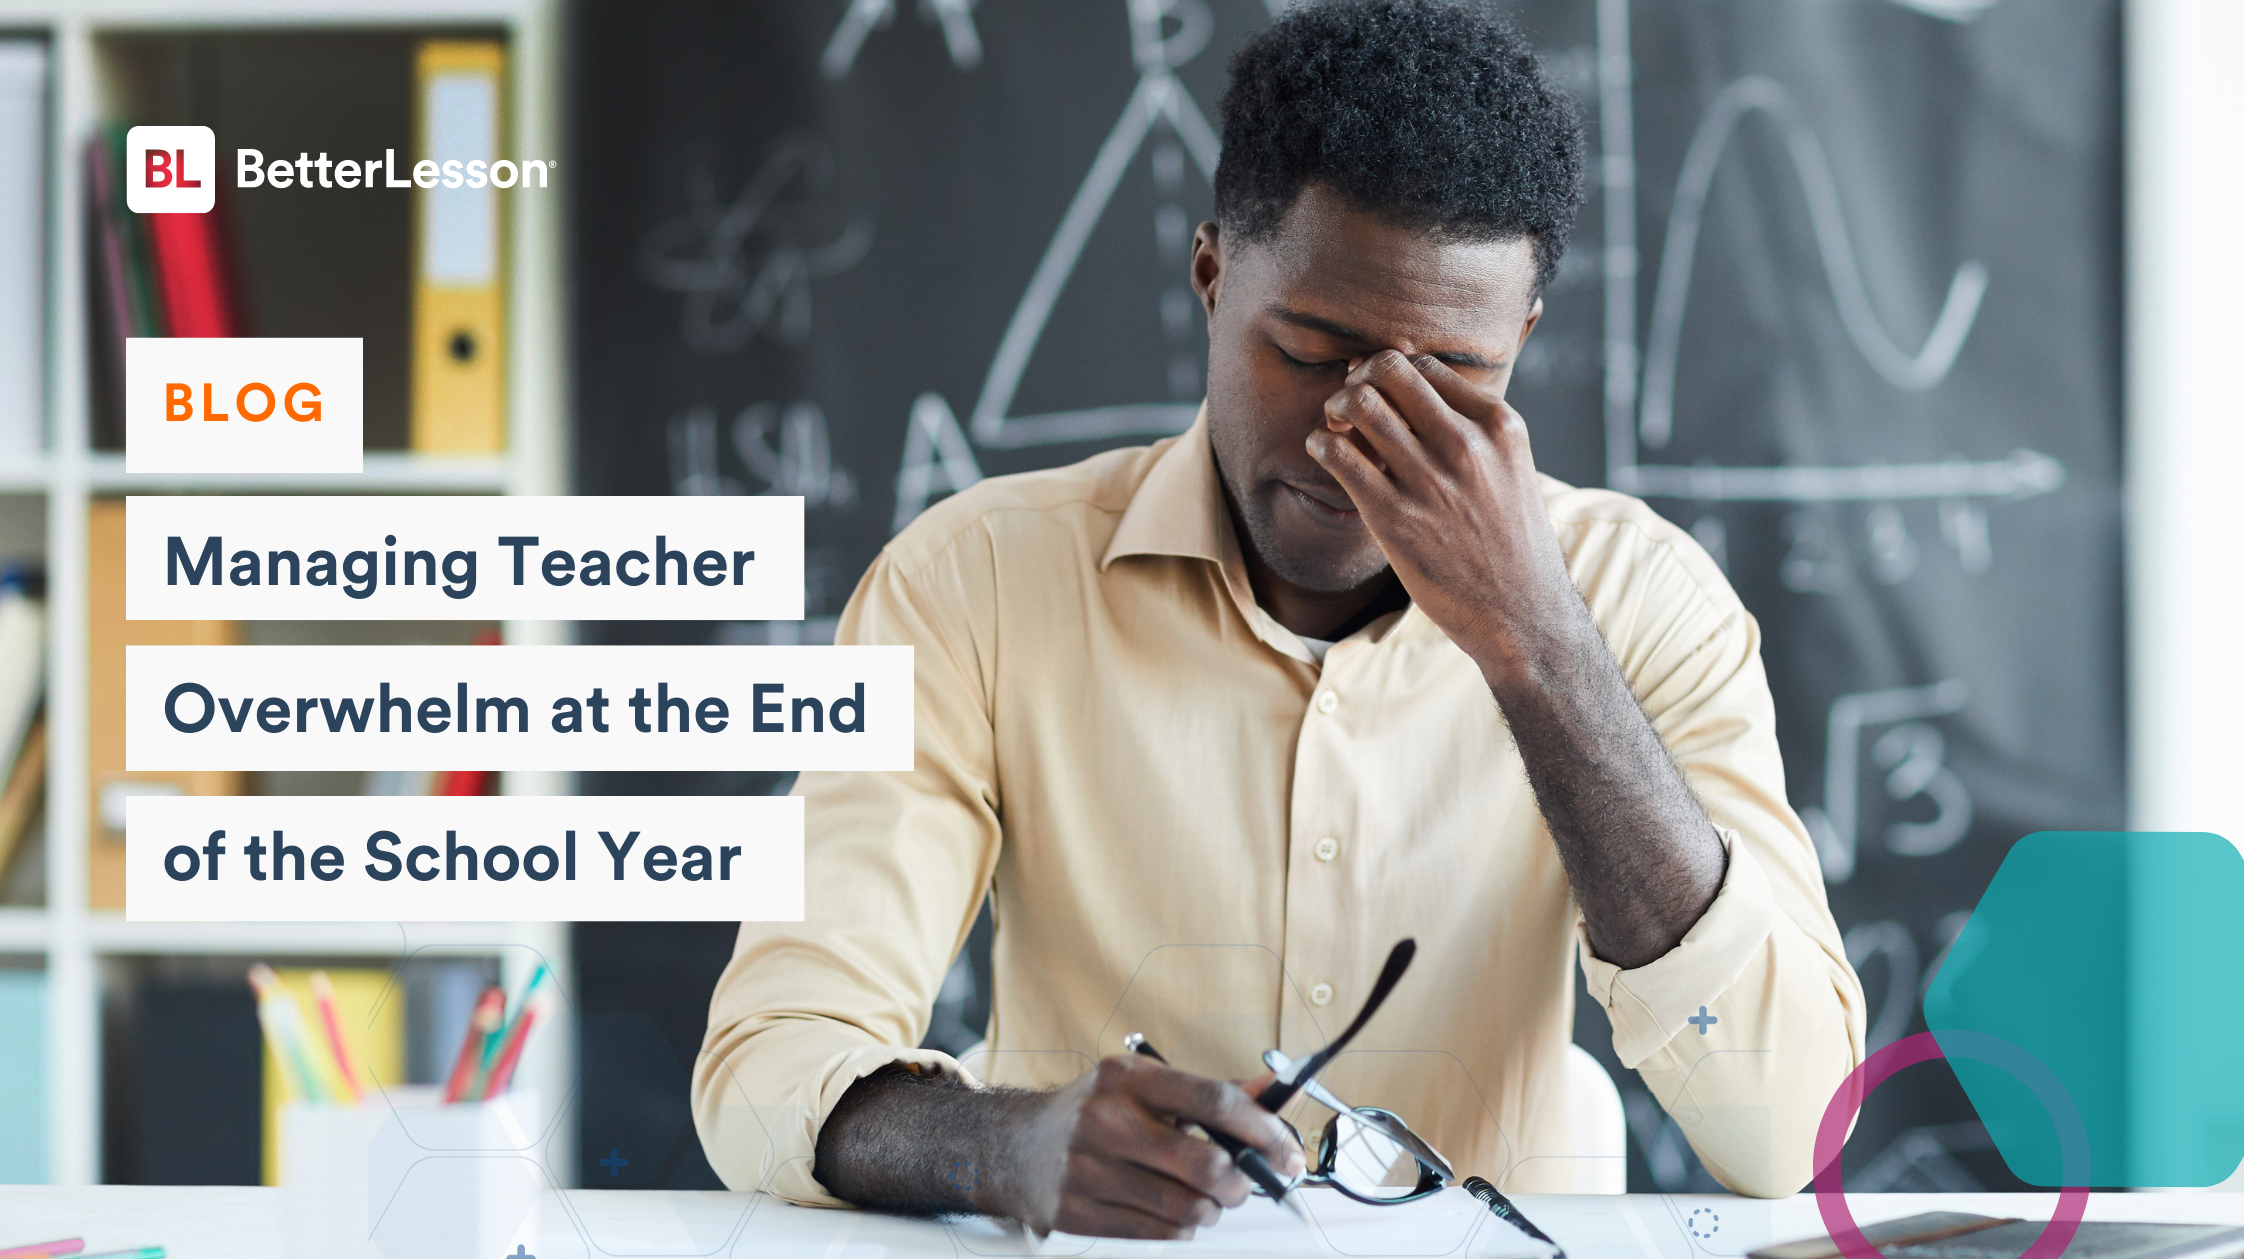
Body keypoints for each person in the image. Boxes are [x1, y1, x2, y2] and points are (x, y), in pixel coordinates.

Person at [694, 0, 1864, 1239]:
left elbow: (1796, 1130)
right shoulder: (973, 580)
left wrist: (1537, 640)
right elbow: (772, 1057)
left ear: (1520, 341)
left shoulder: (1643, 603)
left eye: (1450, 383)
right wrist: (1003, 1142)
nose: (1357, 431)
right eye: (1309, 350)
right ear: (1210, 273)